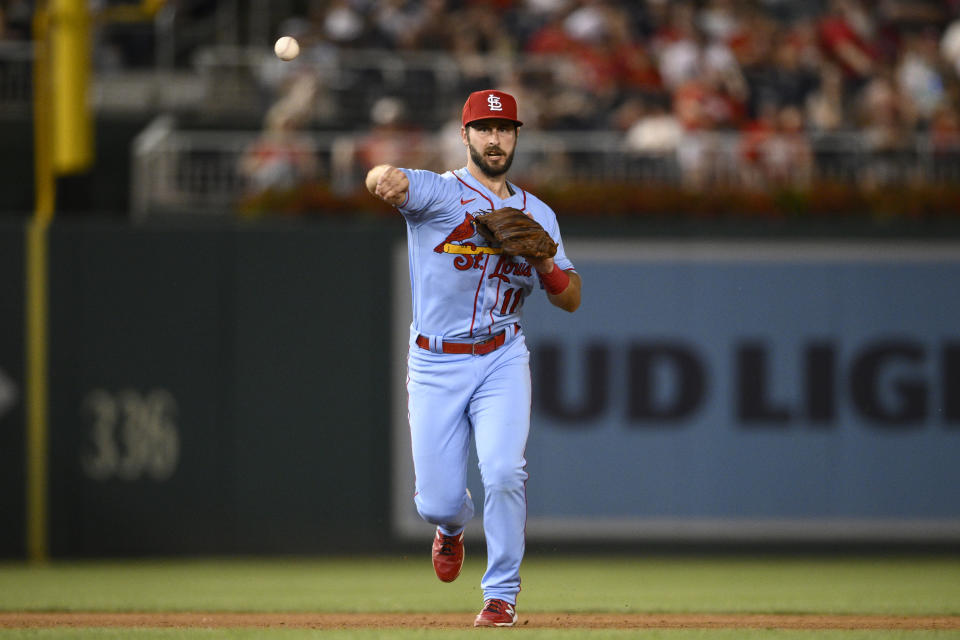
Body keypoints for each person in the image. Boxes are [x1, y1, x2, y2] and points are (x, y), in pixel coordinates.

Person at [365, 89, 581, 628]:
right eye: (483, 129)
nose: (494, 138)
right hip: (436, 364)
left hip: (502, 357)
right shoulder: (439, 194)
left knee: (506, 471)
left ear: (515, 137)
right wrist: (383, 178)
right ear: (465, 136)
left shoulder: (537, 214)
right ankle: (451, 529)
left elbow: (571, 296)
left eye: (504, 129)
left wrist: (545, 264)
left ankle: (501, 595)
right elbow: (388, 180)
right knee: (436, 503)